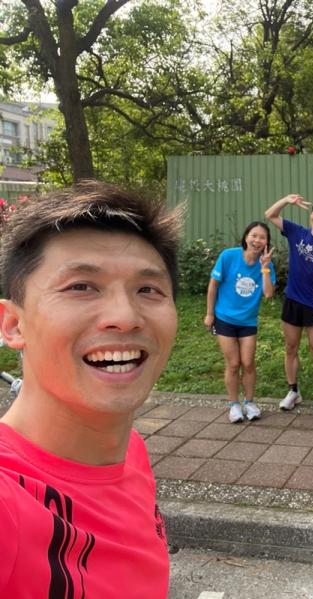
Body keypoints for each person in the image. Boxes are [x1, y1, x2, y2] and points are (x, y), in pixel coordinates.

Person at [0, 181, 182, 597]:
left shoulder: (131, 451)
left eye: (148, 290)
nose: (125, 316)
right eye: (81, 286)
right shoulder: (9, 500)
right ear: (13, 324)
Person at [265, 194, 313, 413]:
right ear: (311, 215)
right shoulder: (297, 232)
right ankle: (293, 391)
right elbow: (270, 215)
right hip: (292, 299)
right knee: (291, 347)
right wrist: (286, 200)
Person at [204, 221, 275, 423]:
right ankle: (234, 404)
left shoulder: (267, 264)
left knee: (249, 363)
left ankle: (249, 402)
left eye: (262, 237)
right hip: (225, 318)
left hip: (248, 321)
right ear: (246, 237)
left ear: (267, 242)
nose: (257, 240)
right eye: (254, 235)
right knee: (234, 364)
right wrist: (209, 314)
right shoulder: (228, 256)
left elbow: (269, 294)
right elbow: (213, 286)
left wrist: (265, 268)